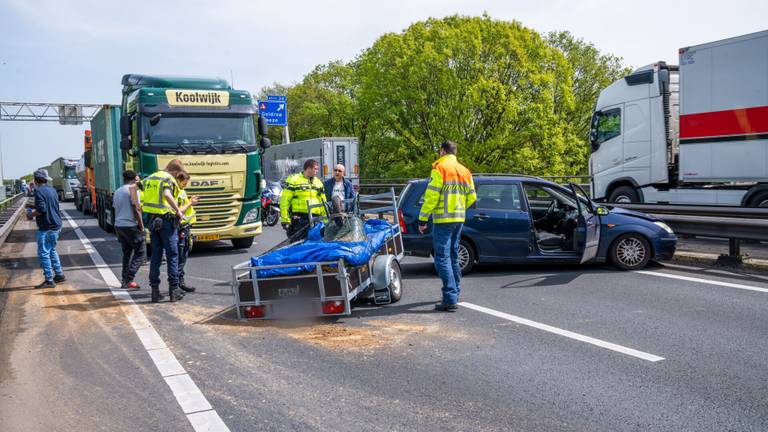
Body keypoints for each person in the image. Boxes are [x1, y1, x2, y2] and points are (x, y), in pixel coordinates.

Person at [418, 141, 477, 311]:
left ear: (442, 151)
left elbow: (431, 197)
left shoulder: (440, 168)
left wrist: (423, 219)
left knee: (442, 258)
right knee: (453, 256)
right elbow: (472, 197)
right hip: (459, 219)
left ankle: (450, 298)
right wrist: (459, 208)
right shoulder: (464, 170)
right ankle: (455, 293)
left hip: (443, 220)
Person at [141, 161, 186, 303]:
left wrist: (139, 207)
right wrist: (178, 210)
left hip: (153, 221)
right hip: (166, 221)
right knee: (172, 255)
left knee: (156, 257)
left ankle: (155, 292)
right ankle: (174, 291)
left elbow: (133, 189)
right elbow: (167, 194)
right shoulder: (167, 179)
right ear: (174, 172)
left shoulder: (151, 177)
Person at [25, 169, 65, 288]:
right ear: (46, 180)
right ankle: (59, 274)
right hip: (56, 225)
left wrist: (30, 214)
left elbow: (42, 210)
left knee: (43, 253)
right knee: (51, 249)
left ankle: (49, 279)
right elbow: (49, 205)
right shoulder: (52, 190)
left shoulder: (39, 192)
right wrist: (33, 205)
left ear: (36, 180)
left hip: (46, 226)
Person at [113, 170, 145, 290]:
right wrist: (141, 225)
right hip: (131, 225)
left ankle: (124, 280)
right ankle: (128, 279)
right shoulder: (132, 191)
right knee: (140, 253)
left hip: (119, 225)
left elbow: (115, 209)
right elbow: (136, 209)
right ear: (134, 179)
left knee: (127, 253)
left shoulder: (117, 191)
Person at [279, 159, 327, 240]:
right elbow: (285, 201)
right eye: (315, 169)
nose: (317, 171)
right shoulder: (294, 180)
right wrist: (285, 219)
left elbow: (323, 202)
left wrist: (325, 221)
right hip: (299, 219)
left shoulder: (318, 183)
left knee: (315, 244)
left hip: (315, 219)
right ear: (308, 168)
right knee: (297, 244)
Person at [174, 170, 199, 293]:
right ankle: (177, 284)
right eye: (184, 183)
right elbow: (179, 210)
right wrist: (190, 203)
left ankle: (180, 281)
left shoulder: (181, 191)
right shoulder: (176, 192)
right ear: (179, 180)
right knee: (180, 256)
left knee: (184, 255)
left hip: (186, 226)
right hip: (180, 227)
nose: (185, 185)